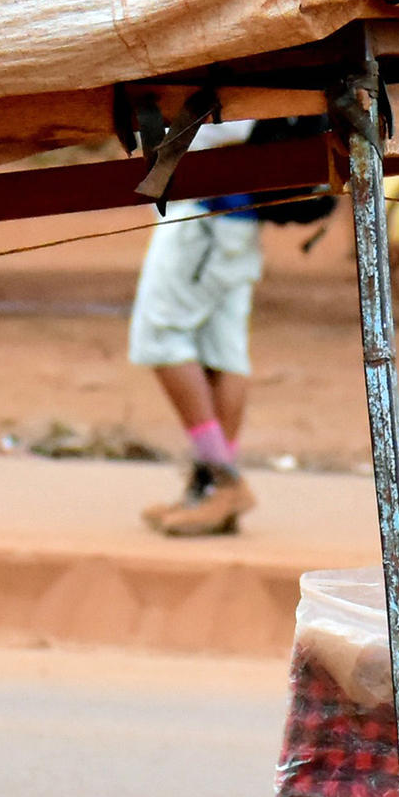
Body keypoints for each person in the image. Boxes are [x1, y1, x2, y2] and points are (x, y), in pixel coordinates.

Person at [130, 170, 264, 538]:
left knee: (161, 339)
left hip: (201, 212)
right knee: (222, 351)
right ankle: (206, 493)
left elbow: (203, 133)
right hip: (237, 215)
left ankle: (223, 481)